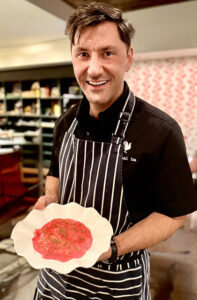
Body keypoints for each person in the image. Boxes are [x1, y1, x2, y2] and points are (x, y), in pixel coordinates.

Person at [33, 2, 197, 299]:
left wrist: (112, 247)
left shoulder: (161, 130)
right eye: (83, 54)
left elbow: (173, 216)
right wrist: (50, 202)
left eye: (108, 53)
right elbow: (55, 173)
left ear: (129, 58)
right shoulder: (66, 121)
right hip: (57, 273)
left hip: (119, 278)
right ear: (73, 59)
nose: (94, 69)